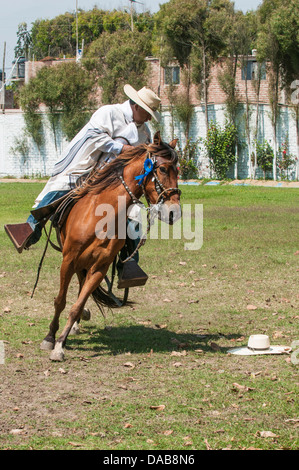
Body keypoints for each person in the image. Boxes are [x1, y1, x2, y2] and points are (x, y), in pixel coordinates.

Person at [5, 84, 161, 286]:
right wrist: (124, 149)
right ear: (137, 106)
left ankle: (129, 265)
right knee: (62, 187)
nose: (149, 118)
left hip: (116, 183)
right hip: (88, 166)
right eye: (148, 113)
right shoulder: (109, 112)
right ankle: (29, 230)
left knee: (132, 218)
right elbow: (96, 138)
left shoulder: (145, 133)